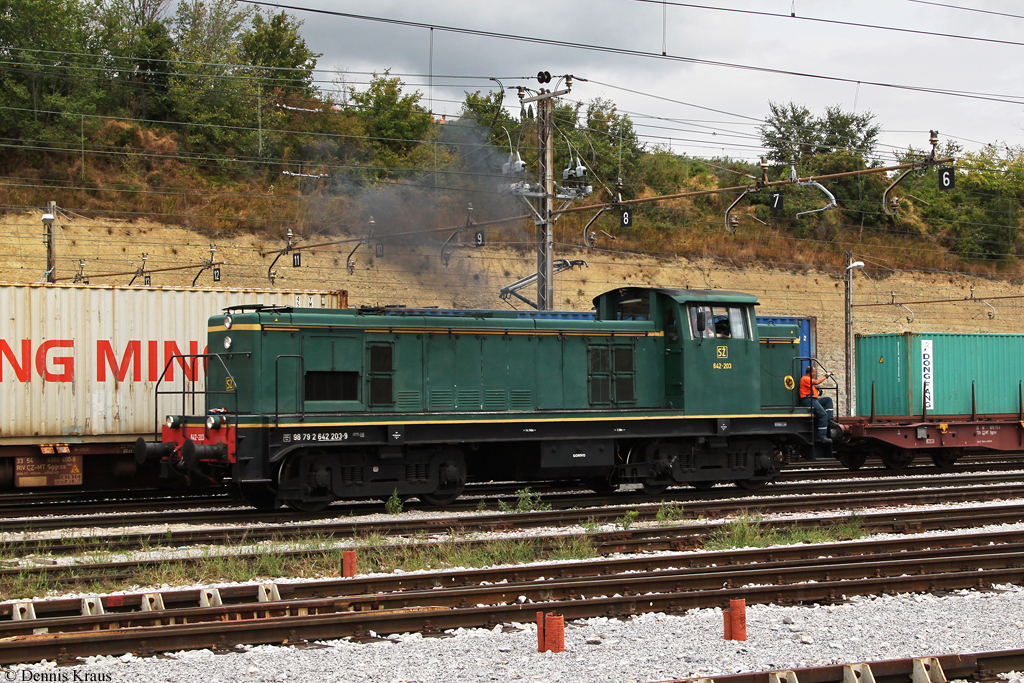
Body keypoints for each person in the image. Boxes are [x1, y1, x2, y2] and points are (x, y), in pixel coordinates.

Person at [799, 365, 834, 444]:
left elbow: (814, 385)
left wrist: (817, 388)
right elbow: (816, 382)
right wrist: (826, 375)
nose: (815, 374)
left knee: (828, 400)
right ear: (810, 372)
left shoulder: (809, 380)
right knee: (823, 415)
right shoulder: (805, 379)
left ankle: (829, 419)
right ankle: (822, 436)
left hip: (813, 399)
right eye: (814, 372)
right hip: (808, 400)